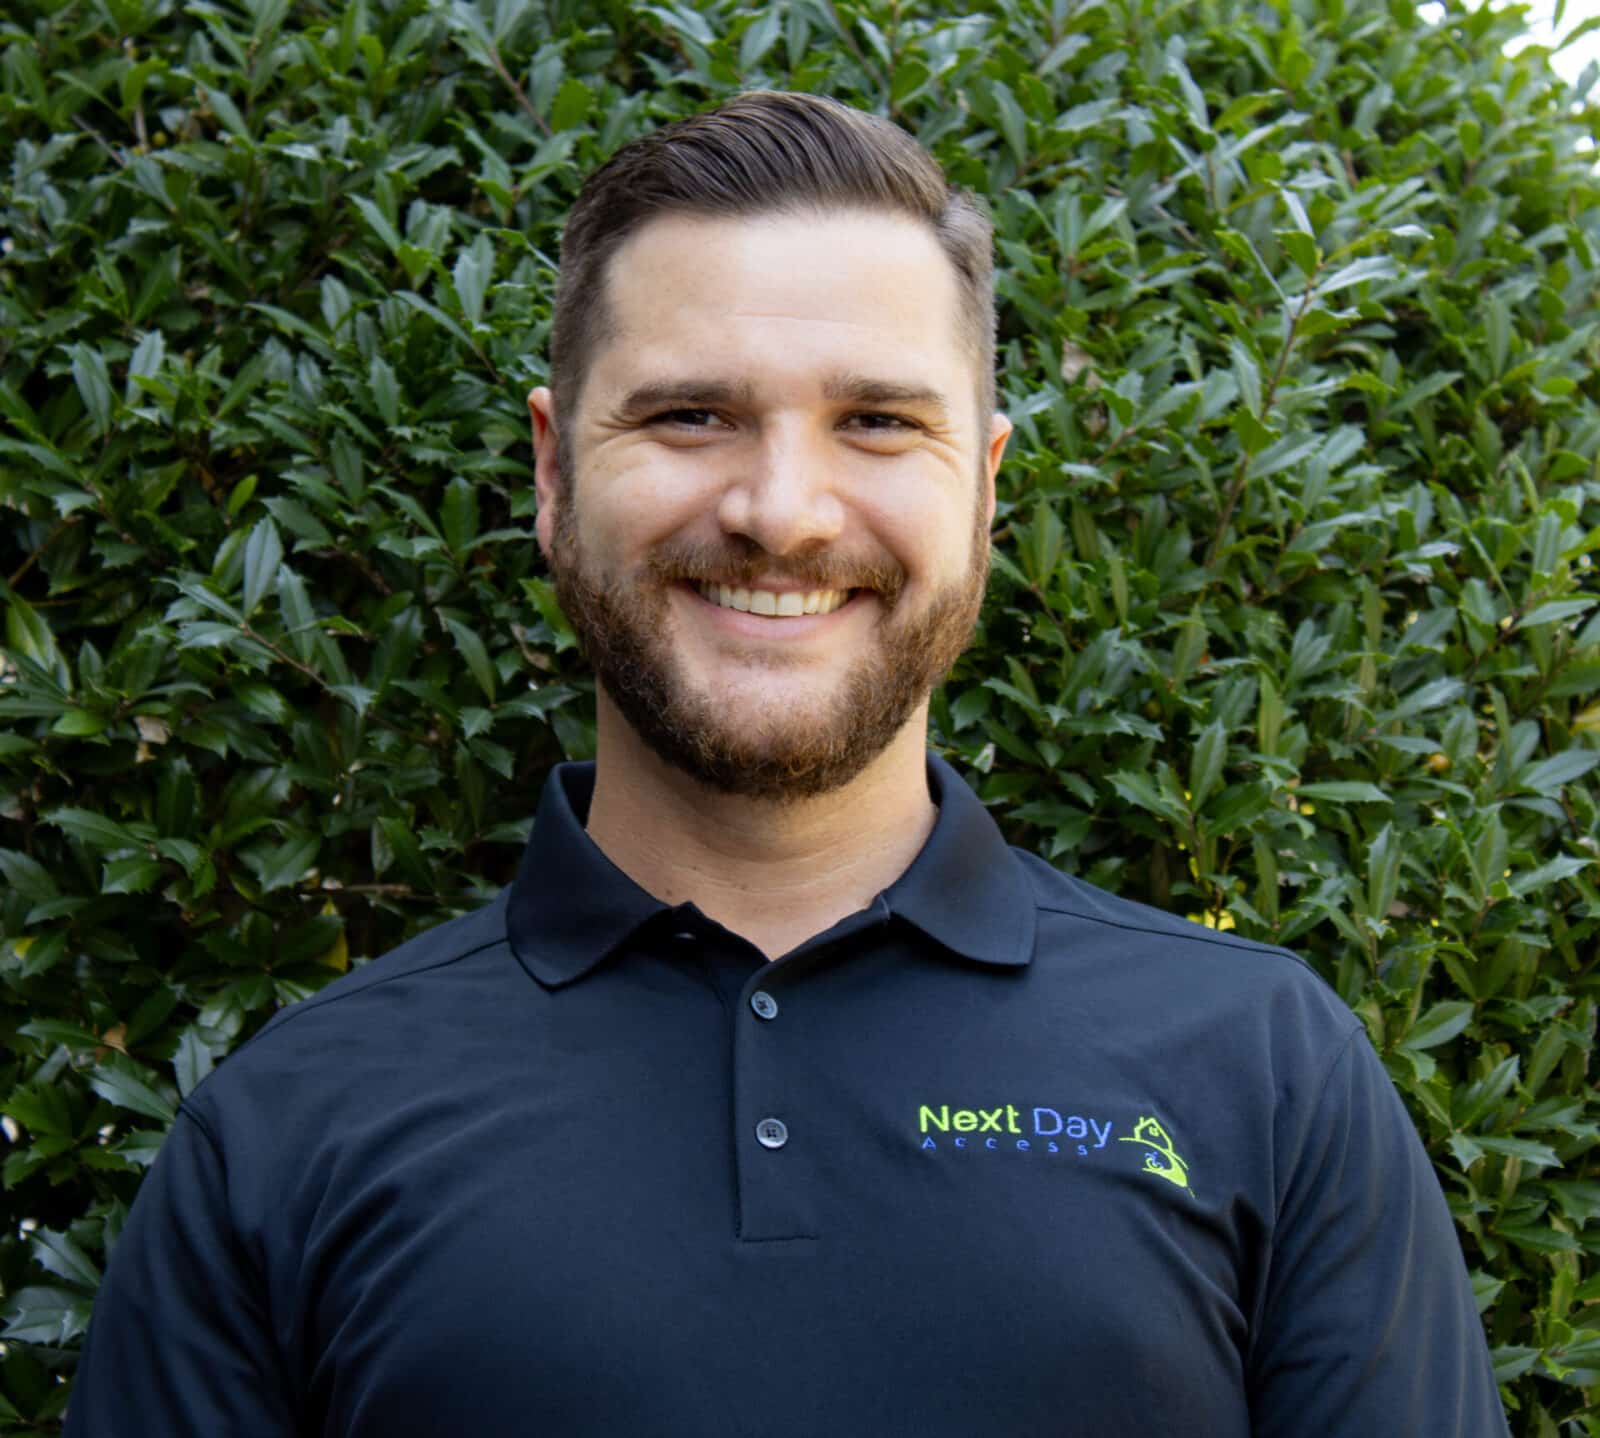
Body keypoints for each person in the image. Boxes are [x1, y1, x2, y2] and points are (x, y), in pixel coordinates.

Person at [67, 91, 1508, 1437]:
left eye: (877, 421)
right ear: (554, 473)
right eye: (691, 415)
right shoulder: (289, 1124)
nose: (783, 510)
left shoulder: (1266, 1069)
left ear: (986, 489)